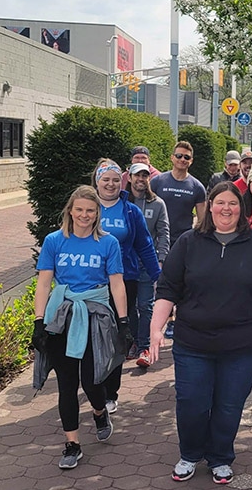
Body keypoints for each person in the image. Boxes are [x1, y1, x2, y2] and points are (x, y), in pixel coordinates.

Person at [149, 181, 252, 484]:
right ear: (210, 206)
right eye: (220, 202)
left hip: (243, 345)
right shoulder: (188, 242)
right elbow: (168, 287)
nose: (227, 208)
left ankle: (221, 456)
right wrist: (156, 329)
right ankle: (189, 454)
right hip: (193, 342)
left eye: (233, 203)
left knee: (229, 405)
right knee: (192, 403)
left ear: (242, 208)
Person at [32, 185, 129, 469]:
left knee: (91, 381)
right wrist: (39, 322)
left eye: (90, 210)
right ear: (70, 212)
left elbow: (117, 283)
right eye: (79, 210)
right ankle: (72, 444)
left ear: (97, 213)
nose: (84, 215)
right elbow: (44, 282)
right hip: (62, 317)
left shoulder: (108, 243)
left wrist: (123, 323)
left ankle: (99, 412)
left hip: (95, 316)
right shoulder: (54, 241)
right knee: (66, 384)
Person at [92, 159, 161, 412]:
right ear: (97, 181)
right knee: (90, 337)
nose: (110, 184)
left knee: (115, 336)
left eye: (113, 179)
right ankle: (92, 384)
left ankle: (111, 392)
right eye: (104, 179)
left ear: (120, 181)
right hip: (90, 283)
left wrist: (159, 279)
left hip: (124, 281)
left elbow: (144, 245)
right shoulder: (87, 208)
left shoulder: (130, 211)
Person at [150, 141, 206, 339]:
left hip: (183, 242)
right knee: (160, 281)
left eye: (187, 157)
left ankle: (175, 321)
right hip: (159, 241)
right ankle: (157, 320)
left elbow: (202, 219)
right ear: (172, 157)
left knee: (182, 281)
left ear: (191, 161)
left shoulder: (196, 187)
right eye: (179, 156)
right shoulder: (158, 182)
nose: (182, 160)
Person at [125, 162, 170, 368]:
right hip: (126, 265)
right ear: (130, 178)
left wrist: (160, 260)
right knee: (129, 307)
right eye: (137, 175)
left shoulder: (158, 203)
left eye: (145, 175)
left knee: (146, 305)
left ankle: (144, 346)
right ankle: (134, 340)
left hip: (147, 264)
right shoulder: (122, 203)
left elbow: (164, 233)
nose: (141, 179)